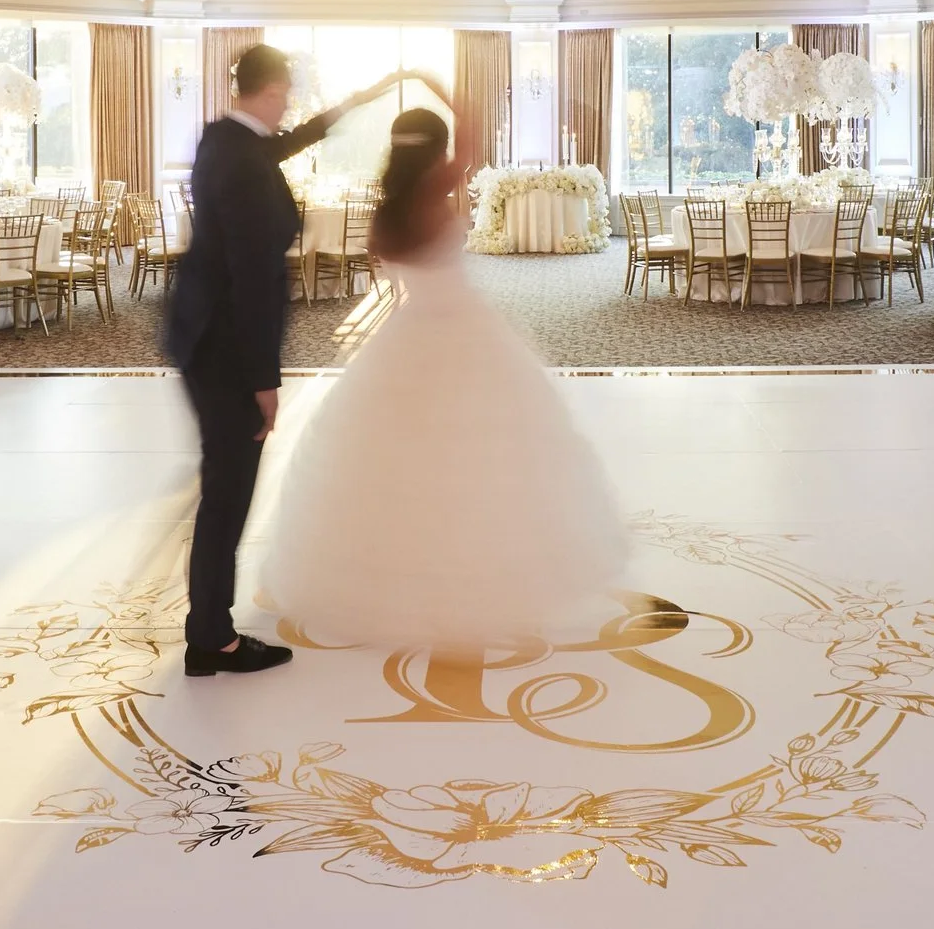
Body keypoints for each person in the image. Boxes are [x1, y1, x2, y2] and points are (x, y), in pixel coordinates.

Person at [260, 105, 627, 647]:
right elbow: (475, 143)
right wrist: (452, 99)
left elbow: (383, 259)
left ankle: (395, 580)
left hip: (405, 337)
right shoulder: (435, 188)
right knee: (493, 459)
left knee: (390, 466)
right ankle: (480, 585)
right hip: (464, 329)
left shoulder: (387, 213)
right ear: (434, 148)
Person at [162, 45, 416, 677]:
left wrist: (356, 101)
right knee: (229, 489)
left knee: (223, 483)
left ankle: (209, 628)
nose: (289, 105)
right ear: (273, 89)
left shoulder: (224, 140)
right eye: (287, 93)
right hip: (225, 350)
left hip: (198, 334)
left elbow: (287, 141)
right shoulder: (245, 160)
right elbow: (252, 278)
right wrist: (263, 380)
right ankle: (212, 638)